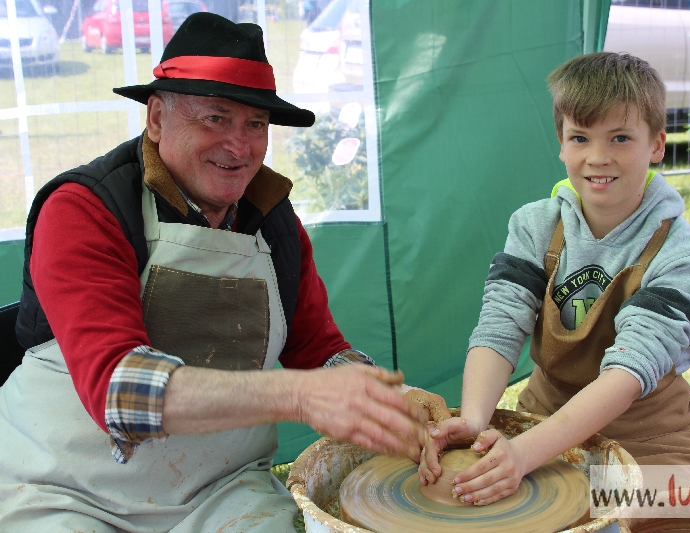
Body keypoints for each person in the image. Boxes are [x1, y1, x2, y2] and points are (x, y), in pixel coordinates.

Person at [0, 13, 438, 533]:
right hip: (65, 490)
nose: (240, 145)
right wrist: (298, 396)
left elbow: (318, 351)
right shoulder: (86, 209)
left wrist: (387, 401)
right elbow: (119, 392)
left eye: (255, 125)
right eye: (216, 118)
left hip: (220, 489)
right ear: (157, 118)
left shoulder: (272, 220)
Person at [419, 52, 690, 506]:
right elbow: (501, 323)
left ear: (657, 144)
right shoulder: (535, 226)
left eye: (620, 138)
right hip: (544, 417)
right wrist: (477, 421)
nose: (598, 158)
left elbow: (629, 370)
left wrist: (525, 454)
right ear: (560, 142)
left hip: (649, 435)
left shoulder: (683, 255)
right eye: (580, 138)